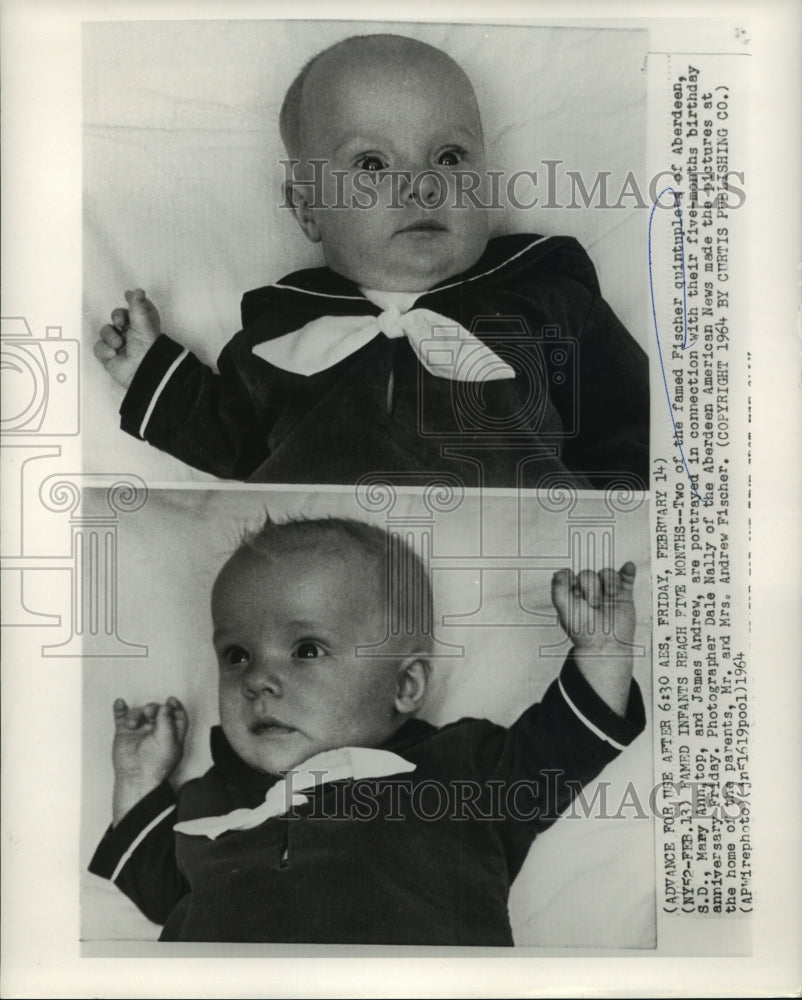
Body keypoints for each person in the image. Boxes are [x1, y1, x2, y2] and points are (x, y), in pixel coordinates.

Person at [93, 33, 649, 489]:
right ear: (309, 211)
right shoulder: (280, 334)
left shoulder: (548, 300)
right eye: (373, 164)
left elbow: (632, 424)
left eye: (450, 157)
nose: (423, 186)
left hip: (513, 565)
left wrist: (609, 523)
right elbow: (232, 439)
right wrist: (154, 371)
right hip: (327, 577)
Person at [88, 515, 646, 945]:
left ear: (404, 686)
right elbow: (160, 887)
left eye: (306, 649)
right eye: (236, 655)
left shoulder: (455, 769)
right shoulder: (212, 798)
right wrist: (137, 777)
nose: (258, 679)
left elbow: (558, 752)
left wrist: (601, 651)